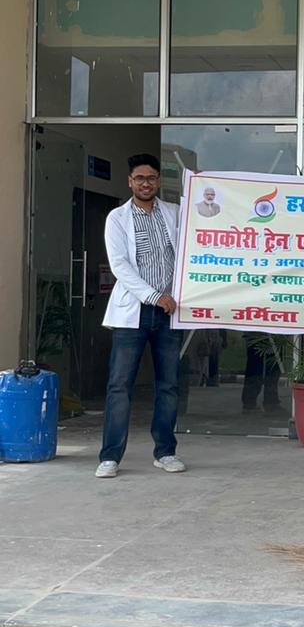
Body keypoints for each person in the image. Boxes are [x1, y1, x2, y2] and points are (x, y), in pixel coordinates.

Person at [95, 154, 186, 478]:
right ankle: (110, 457)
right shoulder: (117, 219)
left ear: (158, 181)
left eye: (151, 178)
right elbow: (120, 267)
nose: (145, 183)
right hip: (132, 315)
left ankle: (165, 452)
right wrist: (154, 296)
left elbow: (195, 245)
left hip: (168, 315)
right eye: (139, 178)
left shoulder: (174, 214)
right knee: (120, 385)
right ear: (130, 182)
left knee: (169, 386)